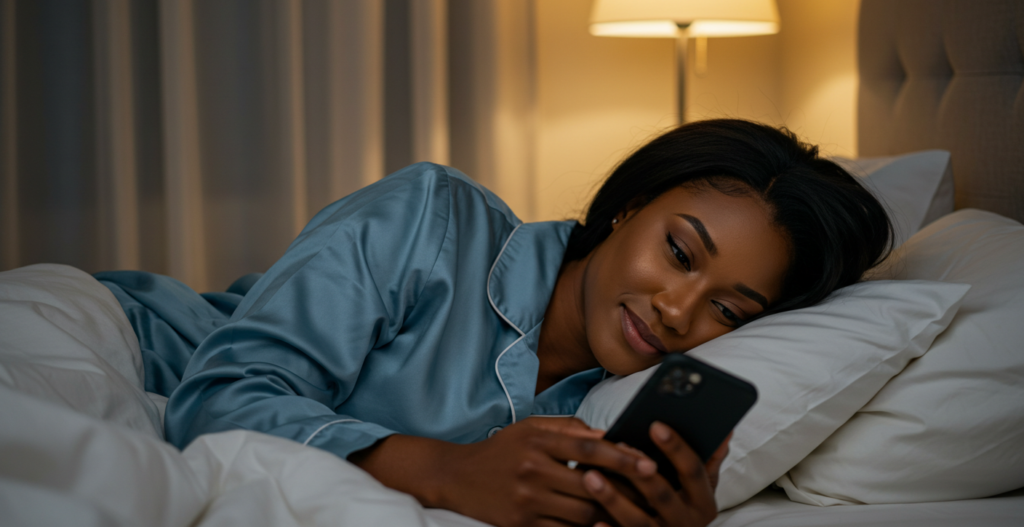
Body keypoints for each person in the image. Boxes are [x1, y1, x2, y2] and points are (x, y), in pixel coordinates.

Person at [97, 119, 892, 527]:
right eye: (679, 251)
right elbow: (217, 398)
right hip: (124, 341)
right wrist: (447, 471)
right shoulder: (430, 218)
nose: (678, 312)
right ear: (628, 207)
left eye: (727, 309)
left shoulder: (610, 413)